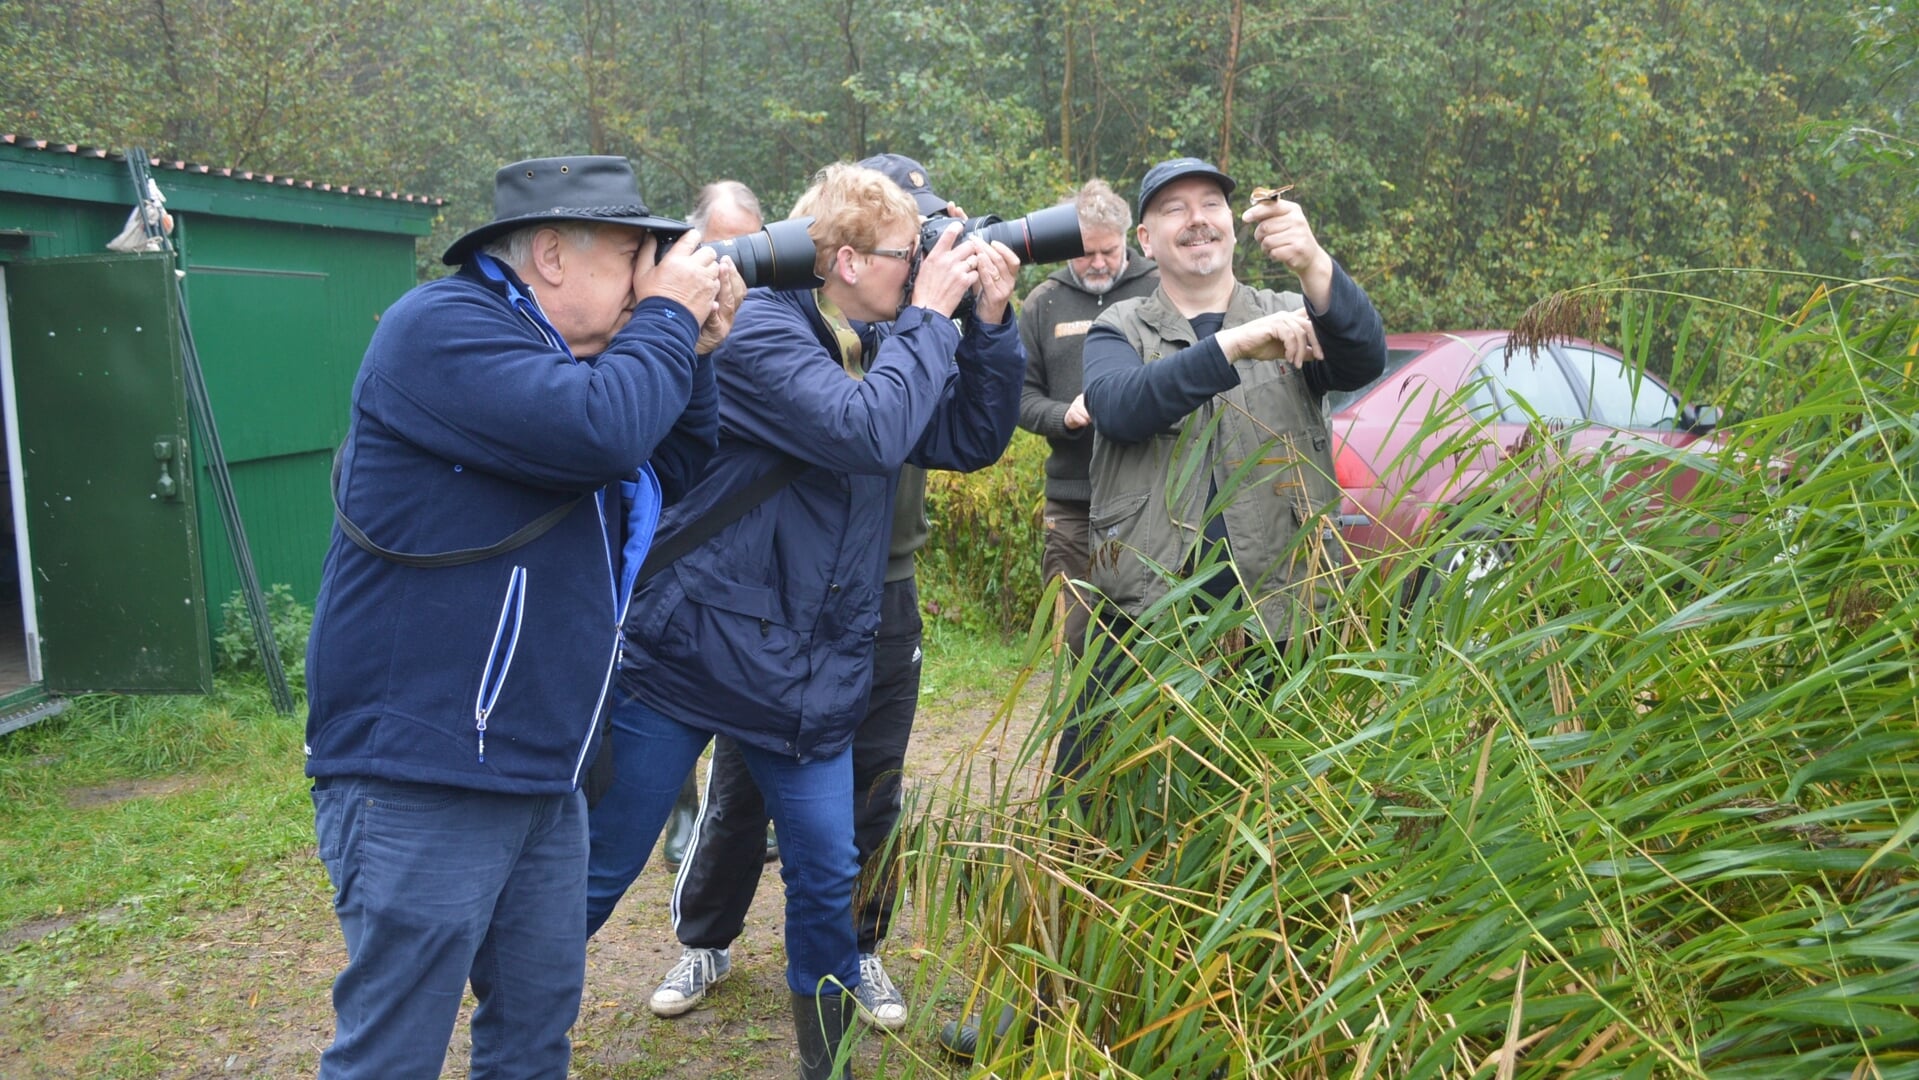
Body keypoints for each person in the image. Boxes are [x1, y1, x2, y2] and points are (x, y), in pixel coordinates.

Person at [935, 157, 1386, 1060]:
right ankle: (1035, 1006)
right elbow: (1121, 407)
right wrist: (1228, 350)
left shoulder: (1290, 307)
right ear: (1145, 240)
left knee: (1270, 816)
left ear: (1234, 223)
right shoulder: (1113, 325)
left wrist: (1315, 268)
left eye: (1210, 207)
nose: (1196, 221)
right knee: (1083, 813)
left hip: (1275, 618)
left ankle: (1251, 1009)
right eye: (1172, 211)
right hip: (1137, 618)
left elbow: (1364, 357)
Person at [303, 154, 742, 1079]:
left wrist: (692, 356)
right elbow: (601, 431)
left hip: (543, 770)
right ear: (550, 253)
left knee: (534, 1034)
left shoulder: (570, 364)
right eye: (634, 257)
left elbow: (671, 468)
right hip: (424, 770)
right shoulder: (442, 330)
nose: (648, 280)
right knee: (393, 1050)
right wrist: (665, 317)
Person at [586, 160, 1025, 1080]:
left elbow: (967, 439)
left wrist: (983, 325)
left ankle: (821, 1068)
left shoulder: (879, 335)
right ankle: (513, 1024)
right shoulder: (757, 333)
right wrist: (932, 320)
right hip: (695, 648)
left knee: (827, 878)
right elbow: (863, 431)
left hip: (809, 667)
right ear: (846, 261)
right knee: (597, 864)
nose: (921, 268)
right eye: (910, 255)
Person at [659, 177, 771, 870]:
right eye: (721, 240)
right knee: (668, 679)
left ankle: (739, 812)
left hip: (752, 530)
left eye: (748, 241)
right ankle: (681, 814)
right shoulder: (669, 307)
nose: (734, 256)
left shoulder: (782, 309)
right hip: (681, 520)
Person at [1015, 179, 1160, 653]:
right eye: (1085, 254)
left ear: (1128, 240)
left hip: (1151, 496)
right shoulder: (1043, 303)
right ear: (1065, 250)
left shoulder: (1160, 288)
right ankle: (1074, 728)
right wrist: (1063, 415)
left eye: (1108, 251)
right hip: (1073, 503)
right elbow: (1018, 398)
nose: (1098, 263)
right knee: (1073, 639)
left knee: (1145, 638)